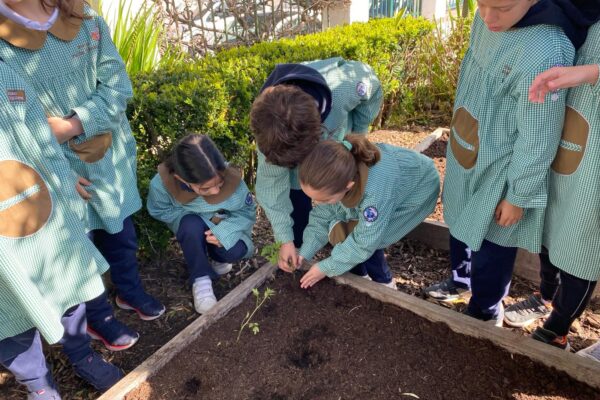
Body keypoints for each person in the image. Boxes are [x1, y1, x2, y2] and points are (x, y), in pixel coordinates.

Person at [0, 0, 165, 351]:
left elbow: (117, 83)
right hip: (52, 165)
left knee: (120, 230)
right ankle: (98, 315)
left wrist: (75, 123)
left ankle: (129, 290)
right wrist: (54, 171)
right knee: (80, 243)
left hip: (108, 151)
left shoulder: (82, 15)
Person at [424, 0, 576, 325]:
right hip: (469, 147)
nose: (489, 18)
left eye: (502, 8)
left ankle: (486, 308)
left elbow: (539, 136)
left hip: (501, 173)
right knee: (459, 216)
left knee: (492, 244)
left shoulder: (545, 49)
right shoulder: (487, 22)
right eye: (481, 5)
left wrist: (518, 195)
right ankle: (461, 279)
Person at [0, 60, 122, 399]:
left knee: (66, 283)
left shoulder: (5, 72)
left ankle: (81, 353)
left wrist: (64, 179)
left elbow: (40, 137)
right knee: (7, 308)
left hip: (37, 203)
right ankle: (37, 383)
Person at [504, 20, 600, 350]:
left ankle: (558, 325)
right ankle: (545, 294)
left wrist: (589, 73)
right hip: (566, 138)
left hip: (594, 159)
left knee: (581, 241)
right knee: (549, 226)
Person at [250, 57, 383, 274]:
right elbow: (271, 188)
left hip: (335, 164)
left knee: (350, 215)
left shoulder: (343, 87)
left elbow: (372, 85)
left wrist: (358, 133)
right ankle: (300, 254)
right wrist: (285, 240)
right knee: (296, 220)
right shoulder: (269, 128)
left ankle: (360, 270)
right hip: (298, 169)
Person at [295, 135, 439, 289]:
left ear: (348, 187)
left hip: (418, 189)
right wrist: (305, 252)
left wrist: (326, 268)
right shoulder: (336, 168)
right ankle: (360, 275)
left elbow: (366, 241)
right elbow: (322, 216)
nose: (318, 203)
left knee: (370, 236)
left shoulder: (375, 194)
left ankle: (385, 284)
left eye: (324, 200)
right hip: (390, 184)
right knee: (347, 230)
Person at [147, 134, 256, 314]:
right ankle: (200, 278)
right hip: (192, 226)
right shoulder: (162, 185)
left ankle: (217, 257)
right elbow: (160, 211)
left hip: (225, 223)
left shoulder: (232, 177)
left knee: (235, 250)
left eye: (220, 183)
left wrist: (224, 230)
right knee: (190, 225)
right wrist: (205, 221)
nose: (214, 191)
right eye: (205, 188)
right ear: (181, 179)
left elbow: (246, 212)